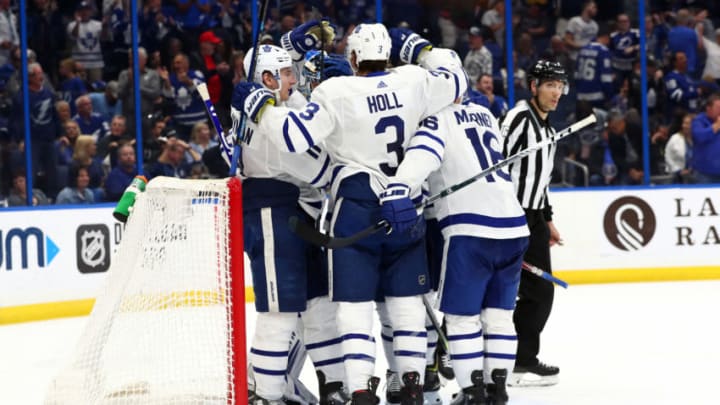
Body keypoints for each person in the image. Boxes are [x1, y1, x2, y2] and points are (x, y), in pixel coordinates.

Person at [235, 24, 467, 404]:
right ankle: (411, 382)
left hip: (354, 207)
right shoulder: (413, 80)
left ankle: (358, 388)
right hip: (404, 205)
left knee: (352, 307)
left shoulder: (334, 92)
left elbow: (295, 136)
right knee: (405, 304)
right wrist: (422, 50)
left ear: (354, 57)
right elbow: (456, 79)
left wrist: (259, 107)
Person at [382, 94, 530, 404]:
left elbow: (422, 156)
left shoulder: (436, 120)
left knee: (463, 319)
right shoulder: (484, 114)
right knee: (500, 316)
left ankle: (473, 393)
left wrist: (398, 190)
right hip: (515, 225)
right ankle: (497, 390)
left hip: (470, 228)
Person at [229, 36, 348, 404]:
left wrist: (290, 48)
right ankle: (267, 395)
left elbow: (284, 103)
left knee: (320, 307)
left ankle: (334, 388)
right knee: (280, 314)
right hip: (274, 217)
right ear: (265, 79)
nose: (293, 79)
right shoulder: (273, 125)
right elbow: (321, 169)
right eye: (284, 73)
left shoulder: (254, 107)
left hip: (297, 218)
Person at [499, 60, 567, 387]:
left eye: (560, 85)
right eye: (550, 84)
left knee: (540, 290)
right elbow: (494, 163)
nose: (556, 92)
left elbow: (542, 180)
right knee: (494, 287)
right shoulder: (517, 119)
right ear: (534, 86)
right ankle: (454, 354)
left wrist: (548, 219)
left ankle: (520, 360)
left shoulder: (550, 129)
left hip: (535, 220)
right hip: (509, 216)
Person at [691, 93, 720, 183]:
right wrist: (716, 126)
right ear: (708, 108)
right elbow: (699, 136)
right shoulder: (699, 121)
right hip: (704, 174)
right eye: (718, 107)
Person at [665, 113, 695, 183]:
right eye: (684, 123)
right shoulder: (675, 138)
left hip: (695, 175)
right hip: (676, 176)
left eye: (687, 123)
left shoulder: (698, 139)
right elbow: (668, 156)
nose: (684, 126)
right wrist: (678, 170)